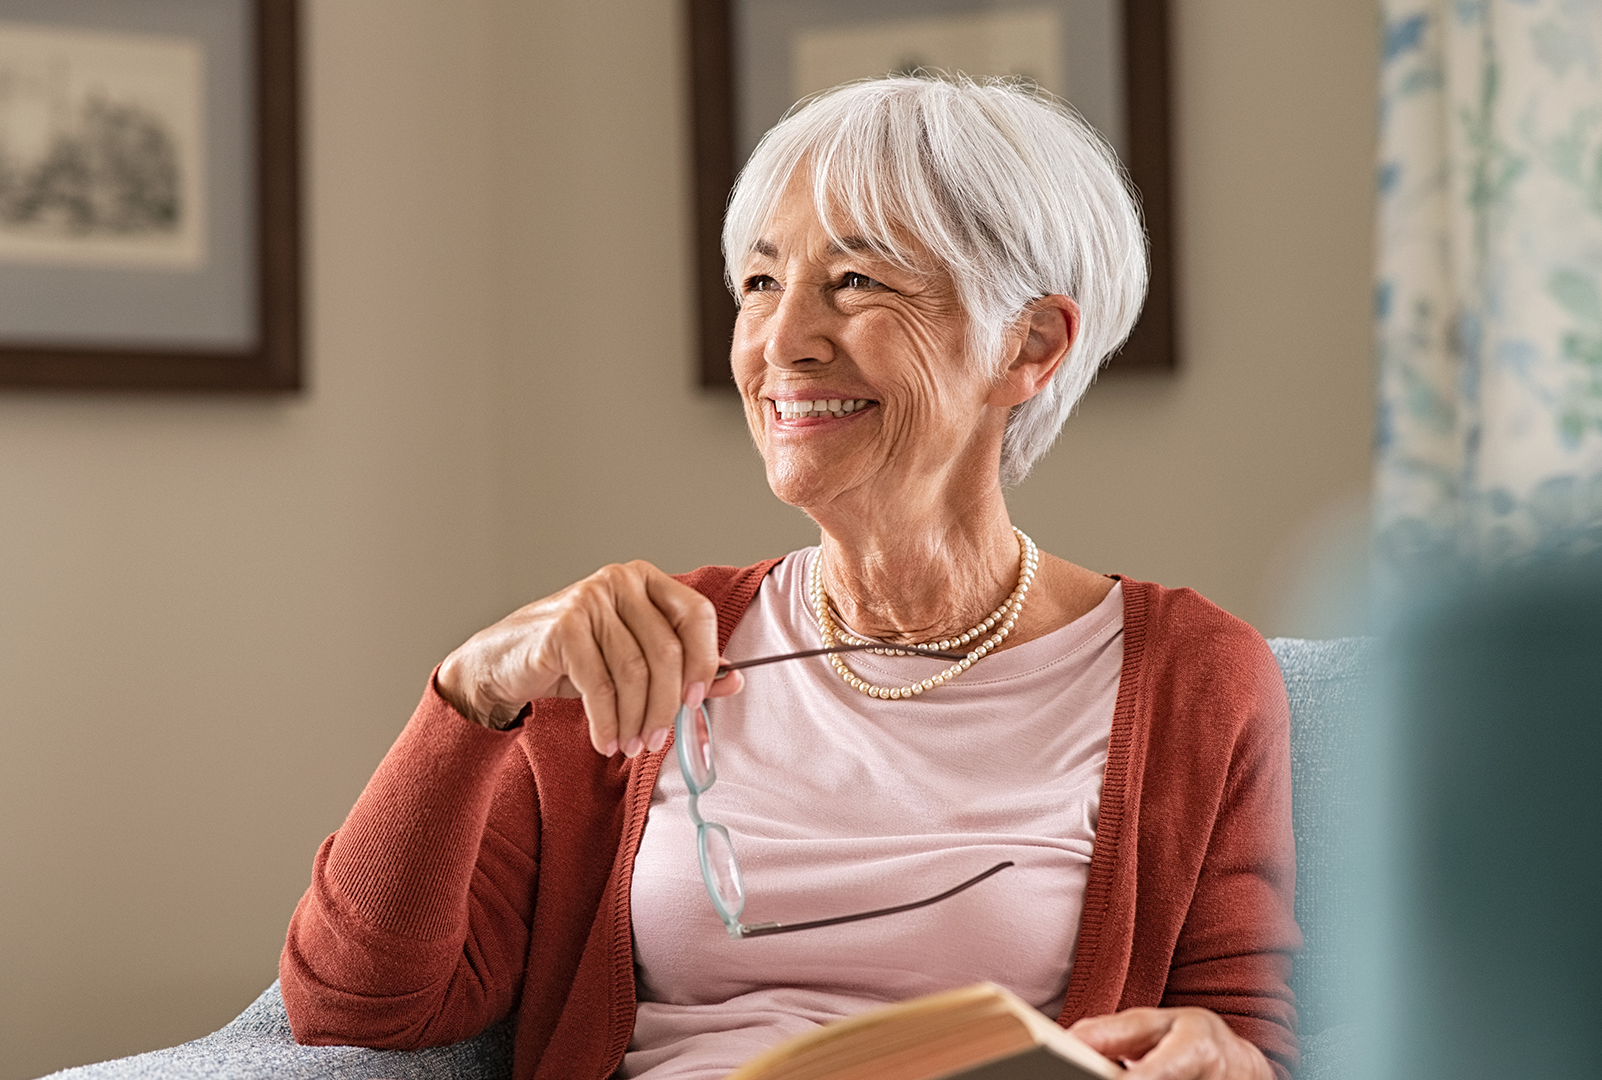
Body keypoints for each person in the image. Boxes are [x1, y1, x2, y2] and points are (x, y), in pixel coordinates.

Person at [280, 76, 1299, 1080]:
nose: (782, 343)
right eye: (762, 284)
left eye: (855, 283)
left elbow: (1243, 1038)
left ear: (1029, 346)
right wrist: (471, 691)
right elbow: (354, 1001)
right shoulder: (638, 651)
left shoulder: (1192, 677)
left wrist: (1223, 1058)